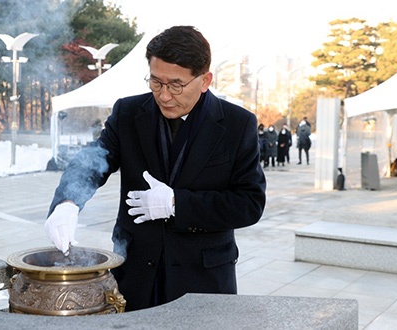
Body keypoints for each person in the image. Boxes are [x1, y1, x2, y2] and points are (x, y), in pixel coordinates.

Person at [44, 26, 266, 312]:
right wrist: (67, 202)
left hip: (203, 278)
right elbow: (93, 160)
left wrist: (177, 203)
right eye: (156, 82)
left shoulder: (237, 124)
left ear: (205, 80)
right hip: (135, 272)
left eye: (176, 85)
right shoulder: (128, 113)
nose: (164, 96)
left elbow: (249, 204)